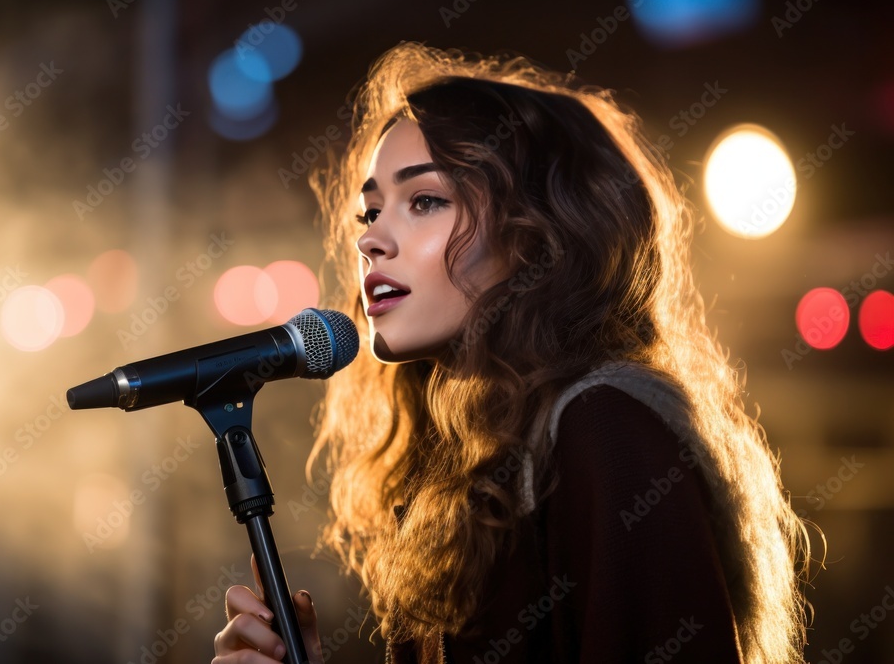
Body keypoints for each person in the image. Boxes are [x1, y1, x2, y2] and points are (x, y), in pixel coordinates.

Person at [212, 42, 817, 664]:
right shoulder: (466, 464)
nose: (370, 239)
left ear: (536, 235)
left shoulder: (605, 427)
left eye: (424, 201)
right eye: (369, 211)